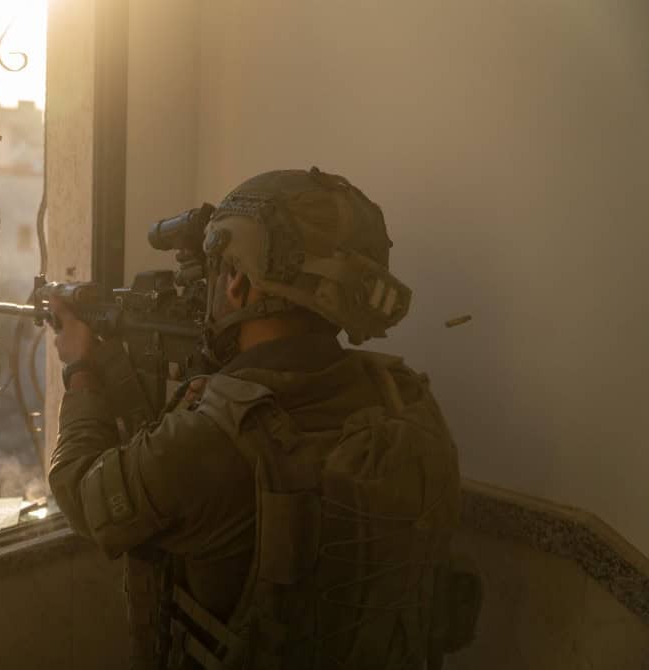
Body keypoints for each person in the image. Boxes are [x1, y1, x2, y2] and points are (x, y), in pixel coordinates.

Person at [48, 168, 465, 669]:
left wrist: (80, 369)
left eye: (216, 271)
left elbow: (79, 493)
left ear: (240, 282)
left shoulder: (211, 438)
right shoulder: (404, 398)